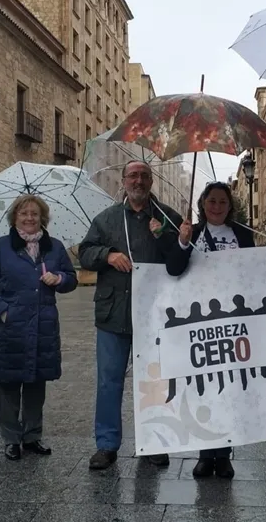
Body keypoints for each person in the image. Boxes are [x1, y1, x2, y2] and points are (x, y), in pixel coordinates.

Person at [79, 160, 190, 470]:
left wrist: (172, 238)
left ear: (151, 181)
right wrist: (107, 255)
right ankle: (106, 444)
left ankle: (153, 442)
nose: (138, 181)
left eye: (144, 176)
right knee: (109, 381)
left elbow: (180, 264)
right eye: (133, 176)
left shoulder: (169, 217)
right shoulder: (106, 219)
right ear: (124, 181)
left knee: (153, 381)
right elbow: (85, 253)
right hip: (113, 313)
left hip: (154, 316)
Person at [0, 194, 78, 461]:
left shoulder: (54, 247)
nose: (29, 218)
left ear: (42, 218)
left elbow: (72, 279)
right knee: (9, 385)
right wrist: (3, 311)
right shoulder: (0, 247)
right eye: (24, 213)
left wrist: (59, 278)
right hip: (9, 329)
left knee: (35, 383)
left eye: (34, 213)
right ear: (15, 218)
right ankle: (11, 438)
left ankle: (32, 436)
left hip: (43, 327)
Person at [166, 181, 256, 479]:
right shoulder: (190, 232)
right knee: (203, 386)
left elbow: (253, 271)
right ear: (203, 204)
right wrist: (182, 243)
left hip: (233, 321)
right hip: (199, 322)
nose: (216, 206)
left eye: (222, 202)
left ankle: (224, 455)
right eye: (211, 201)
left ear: (230, 207)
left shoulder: (242, 234)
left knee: (228, 388)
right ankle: (205, 454)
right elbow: (173, 269)